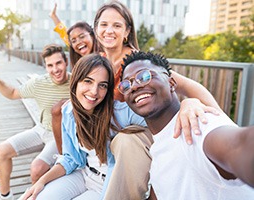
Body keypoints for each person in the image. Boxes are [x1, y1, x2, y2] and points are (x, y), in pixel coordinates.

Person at [93, 1, 222, 199]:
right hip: (115, 135)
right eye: (104, 25)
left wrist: (217, 117)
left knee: (125, 144)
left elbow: (187, 86)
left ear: (127, 31)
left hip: (145, 133)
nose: (109, 31)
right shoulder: (100, 61)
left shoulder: (136, 63)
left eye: (117, 25)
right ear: (95, 29)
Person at [119, 51, 254, 199]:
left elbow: (239, 145)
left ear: (171, 83)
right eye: (126, 85)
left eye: (144, 77)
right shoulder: (160, 146)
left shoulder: (198, 124)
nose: (134, 87)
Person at [21, 53, 148, 200]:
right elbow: (71, 159)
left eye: (102, 85)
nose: (94, 91)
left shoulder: (120, 112)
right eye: (88, 81)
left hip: (108, 185)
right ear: (76, 81)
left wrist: (182, 105)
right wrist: (41, 181)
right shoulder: (68, 112)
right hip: (83, 174)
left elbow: (161, 120)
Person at [0, 44, 71, 200]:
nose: (55, 69)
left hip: (61, 136)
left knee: (36, 168)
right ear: (45, 67)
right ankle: (4, 195)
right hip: (41, 129)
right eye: (50, 65)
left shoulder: (77, 83)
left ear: (66, 61)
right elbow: (13, 93)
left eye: (58, 63)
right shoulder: (39, 83)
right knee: (1, 151)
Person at [50, 2, 98, 154]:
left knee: (61, 110)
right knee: (57, 109)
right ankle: (64, 155)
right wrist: (54, 17)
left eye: (82, 37)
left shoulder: (102, 55)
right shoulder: (79, 58)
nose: (78, 42)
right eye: (74, 40)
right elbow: (66, 35)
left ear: (93, 35)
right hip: (84, 98)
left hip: (98, 99)